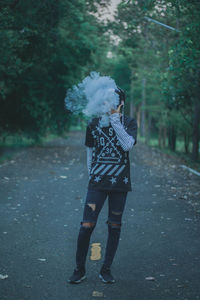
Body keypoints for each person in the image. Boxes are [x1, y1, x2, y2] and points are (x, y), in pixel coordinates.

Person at [68, 87, 137, 284]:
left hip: (120, 184)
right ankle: (79, 269)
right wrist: (94, 175)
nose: (108, 104)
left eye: (112, 100)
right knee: (86, 225)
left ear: (121, 103)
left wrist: (115, 120)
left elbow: (127, 145)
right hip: (97, 183)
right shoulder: (93, 123)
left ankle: (106, 269)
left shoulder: (129, 122)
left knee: (114, 226)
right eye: (105, 100)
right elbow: (89, 153)